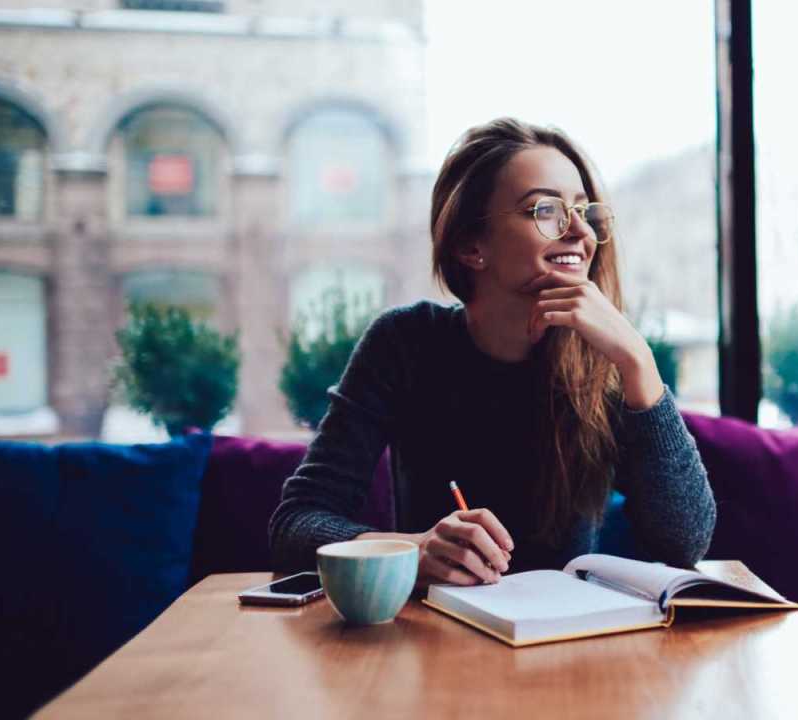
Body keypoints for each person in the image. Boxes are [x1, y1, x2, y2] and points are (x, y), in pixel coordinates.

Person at [269, 117, 716, 589]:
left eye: (583, 212)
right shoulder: (403, 343)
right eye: (544, 210)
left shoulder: (604, 357)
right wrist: (412, 552)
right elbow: (296, 524)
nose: (578, 233)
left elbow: (685, 543)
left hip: (567, 638)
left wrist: (638, 363)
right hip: (437, 638)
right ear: (470, 245)